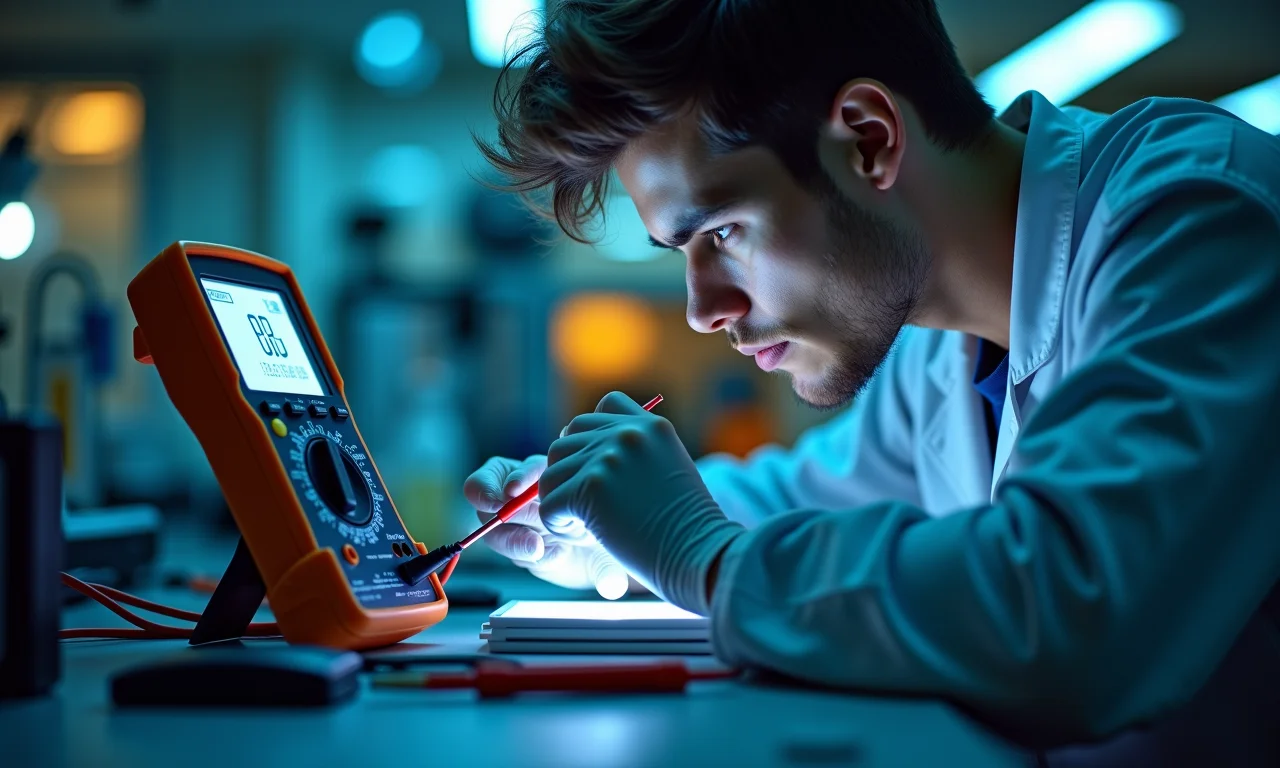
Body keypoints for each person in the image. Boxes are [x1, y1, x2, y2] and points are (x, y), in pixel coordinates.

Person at [463, 0, 1280, 760]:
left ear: (867, 140)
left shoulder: (1198, 215)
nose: (703, 310)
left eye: (722, 232)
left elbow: (1075, 616)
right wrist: (610, 534)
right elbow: (805, 497)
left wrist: (702, 557)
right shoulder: (934, 344)